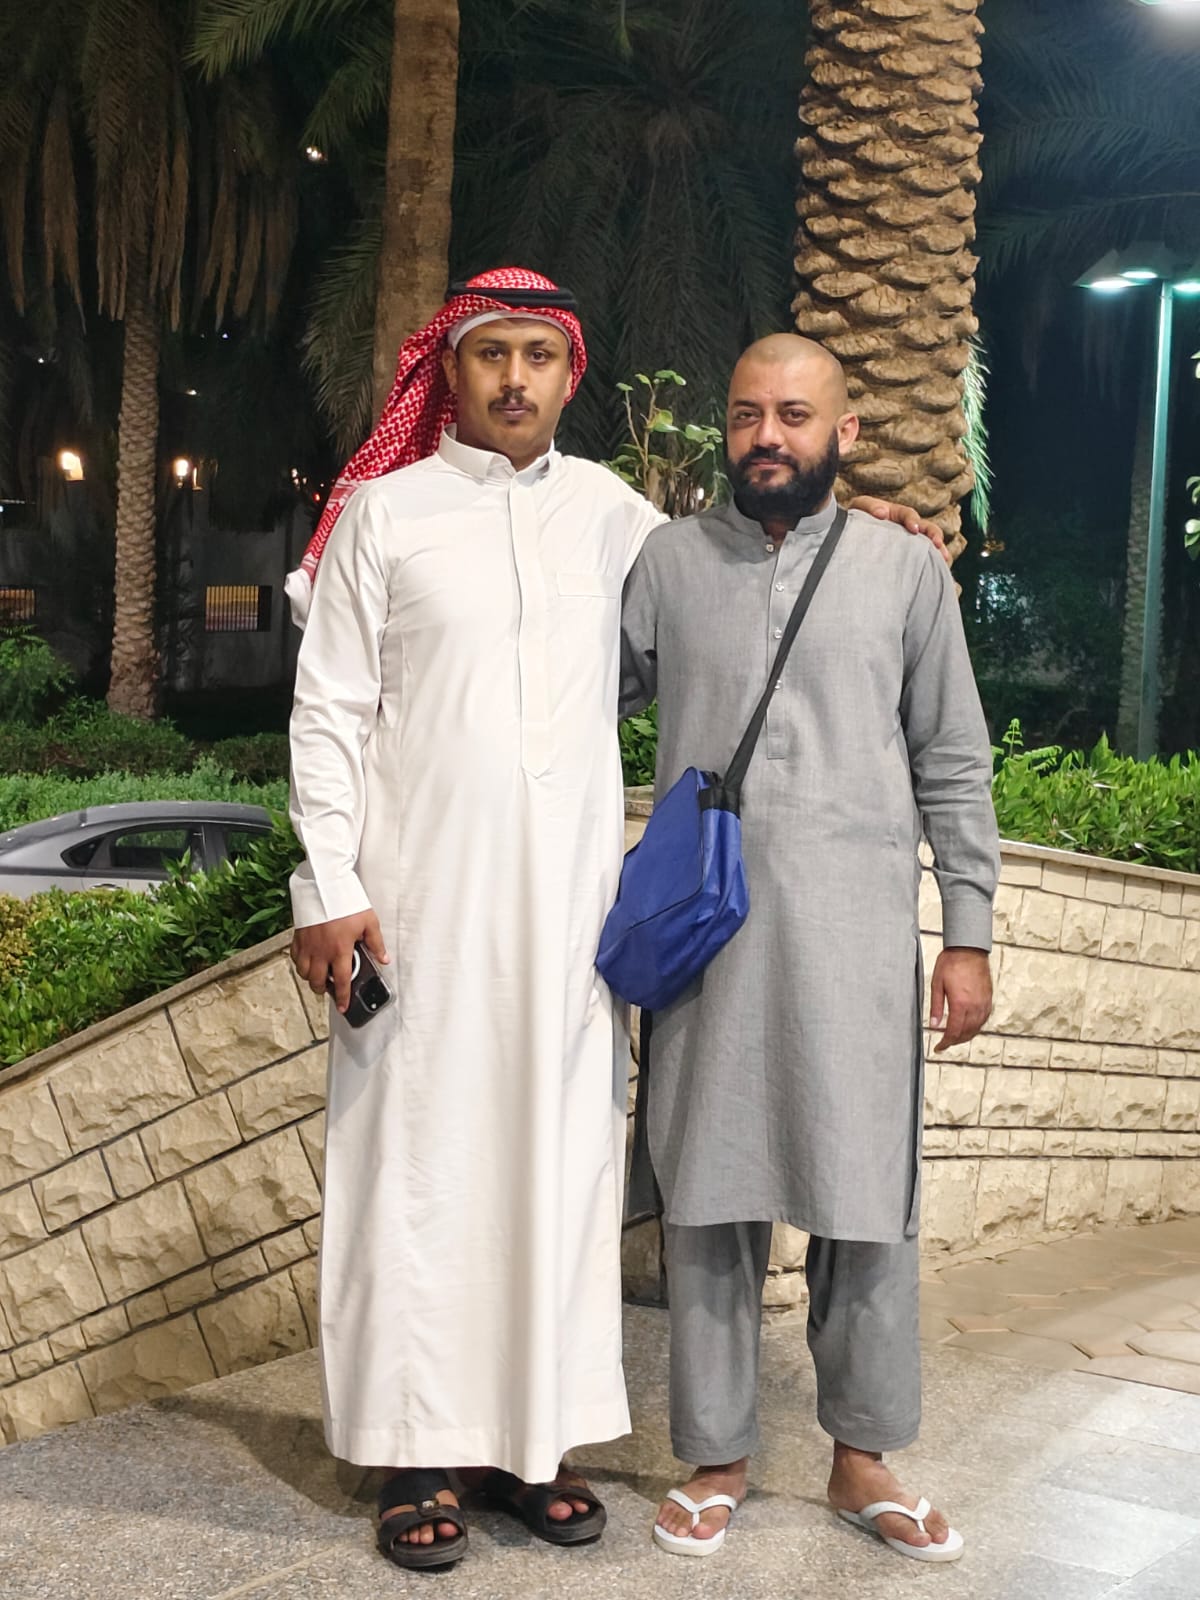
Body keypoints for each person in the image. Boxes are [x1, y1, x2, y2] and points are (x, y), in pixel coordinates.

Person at [287, 272, 949, 1572]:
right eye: (491, 355)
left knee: (554, 1180)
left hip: (570, 931)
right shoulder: (382, 513)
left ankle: (532, 1447)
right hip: (415, 914)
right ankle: (416, 1453)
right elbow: (327, 712)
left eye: (538, 356)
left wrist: (856, 521)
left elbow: (746, 559)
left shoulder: (616, 519)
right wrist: (329, 884)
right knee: (419, 1177)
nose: (514, 379)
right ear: (452, 371)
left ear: (569, 375)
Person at [619, 334, 999, 1565]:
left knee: (866, 1198)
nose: (767, 437)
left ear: (845, 432)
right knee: (708, 1194)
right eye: (746, 415)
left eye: (793, 414)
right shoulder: (666, 565)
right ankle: (715, 1454)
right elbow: (562, 704)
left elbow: (954, 757)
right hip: (707, 943)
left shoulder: (903, 569)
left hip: (856, 942)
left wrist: (969, 933)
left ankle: (863, 1456)